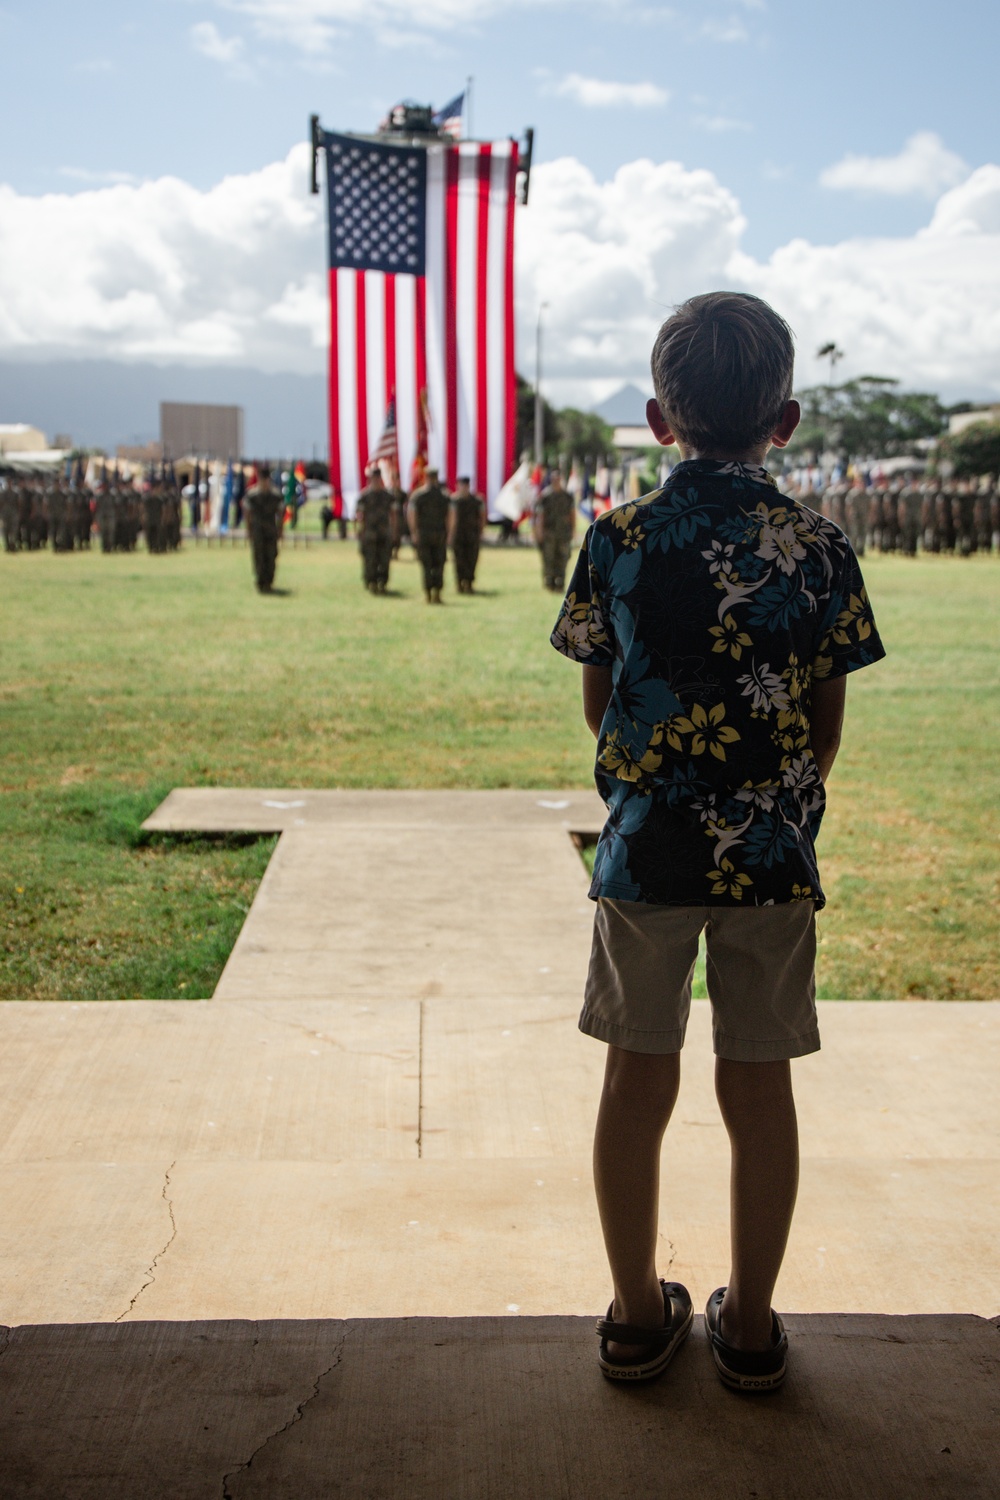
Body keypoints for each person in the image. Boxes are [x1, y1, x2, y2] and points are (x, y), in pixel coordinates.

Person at [550, 291, 885, 1392]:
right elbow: (824, 726)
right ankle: (750, 1329)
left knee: (634, 1080)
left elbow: (602, 703)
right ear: (782, 421)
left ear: (658, 417)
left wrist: (660, 789)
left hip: (646, 851)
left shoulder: (619, 538)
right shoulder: (820, 547)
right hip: (772, 857)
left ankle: (638, 1314)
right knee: (760, 1084)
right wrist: (771, 808)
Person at [408, 467, 450, 603]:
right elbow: (450, 517)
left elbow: (412, 516)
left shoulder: (418, 495)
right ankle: (436, 593)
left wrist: (414, 533)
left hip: (424, 535)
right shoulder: (444, 495)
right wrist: (449, 533)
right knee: (438, 564)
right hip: (439, 535)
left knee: (427, 564)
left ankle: (429, 594)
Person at [243, 462, 283, 592]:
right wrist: (248, 530)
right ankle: (260, 581)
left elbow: (281, 513)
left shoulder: (275, 495)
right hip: (257, 531)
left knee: (271, 557)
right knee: (258, 556)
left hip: (271, 531)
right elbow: (247, 513)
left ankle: (269, 581)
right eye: (262, 480)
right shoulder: (252, 495)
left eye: (266, 480)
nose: (265, 483)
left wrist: (280, 530)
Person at [355, 466, 396, 593]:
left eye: (377, 478)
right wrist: (358, 530)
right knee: (370, 559)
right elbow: (359, 515)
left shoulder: (388, 496)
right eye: (373, 478)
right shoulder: (365, 496)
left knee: (384, 559)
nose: (375, 480)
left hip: (384, 533)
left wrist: (394, 530)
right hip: (369, 533)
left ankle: (382, 583)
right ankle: (371, 582)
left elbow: (393, 514)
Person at [534, 470, 576, 590]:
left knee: (563, 557)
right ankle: (549, 581)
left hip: (563, 533)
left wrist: (573, 530)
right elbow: (540, 516)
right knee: (548, 557)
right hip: (549, 533)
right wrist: (540, 532)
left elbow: (572, 514)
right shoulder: (545, 496)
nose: (556, 481)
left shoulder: (567, 496)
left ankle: (560, 582)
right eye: (554, 479)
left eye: (558, 479)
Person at [448, 476, 486, 592]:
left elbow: (482, 516)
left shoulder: (477, 500)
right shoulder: (453, 500)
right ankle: (459, 583)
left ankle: (469, 583)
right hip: (458, 535)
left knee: (472, 559)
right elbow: (450, 518)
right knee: (459, 559)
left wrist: (481, 531)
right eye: (461, 486)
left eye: (465, 486)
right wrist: (450, 534)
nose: (463, 488)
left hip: (472, 534)